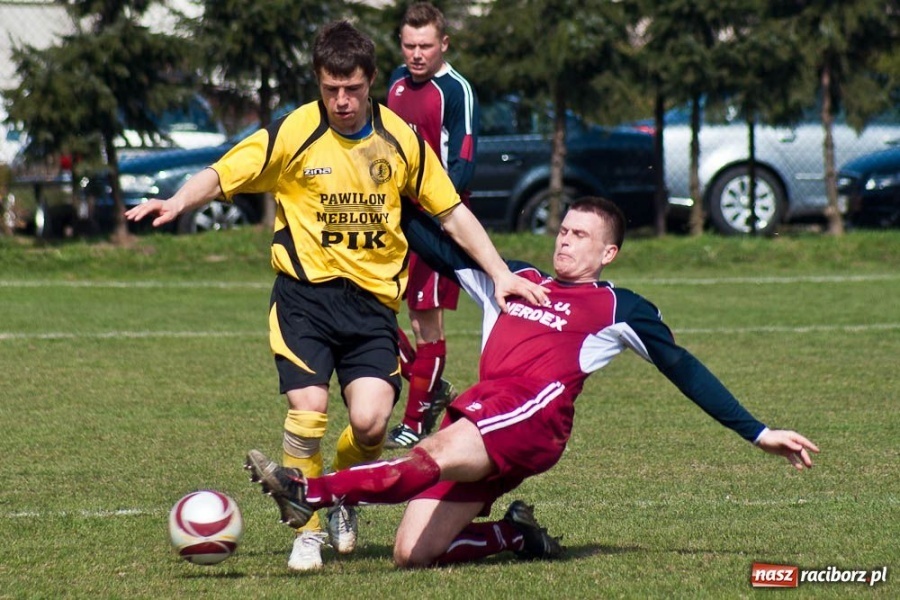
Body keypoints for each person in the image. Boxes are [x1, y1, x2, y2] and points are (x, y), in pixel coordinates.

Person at [125, 20, 547, 572]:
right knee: (309, 412)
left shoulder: (398, 139)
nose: (341, 101)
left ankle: (343, 491)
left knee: (371, 424)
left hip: (372, 307)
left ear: (371, 81)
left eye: (351, 89)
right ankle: (309, 528)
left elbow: (450, 211)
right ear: (318, 83)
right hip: (303, 300)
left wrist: (498, 274)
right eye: (330, 89)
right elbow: (223, 172)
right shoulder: (294, 131)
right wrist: (179, 201)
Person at [245, 196, 820, 568]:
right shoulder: (513, 279)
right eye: (563, 230)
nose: (565, 241)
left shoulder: (618, 306)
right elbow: (437, 246)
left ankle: (309, 493)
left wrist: (759, 432)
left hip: (531, 416)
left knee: (432, 451)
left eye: (581, 236)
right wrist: (387, 195)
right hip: (493, 416)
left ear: (609, 252)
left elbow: (684, 368)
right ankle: (517, 538)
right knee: (410, 554)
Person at [384, 2, 480, 449]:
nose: (416, 54)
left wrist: (439, 211)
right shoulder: (395, 85)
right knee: (373, 308)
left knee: (426, 325)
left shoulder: (456, 90)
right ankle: (432, 386)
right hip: (392, 216)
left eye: (425, 45)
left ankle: (415, 420)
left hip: (433, 223)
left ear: (443, 44)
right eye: (409, 45)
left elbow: (463, 157)